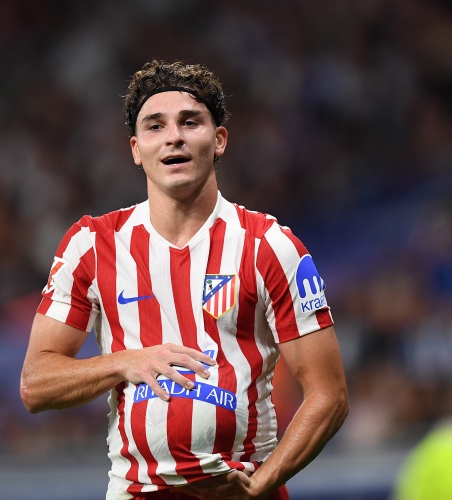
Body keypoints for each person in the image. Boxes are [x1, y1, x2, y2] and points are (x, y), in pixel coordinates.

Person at [20, 60, 349, 500]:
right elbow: (36, 384)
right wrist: (124, 362)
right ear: (136, 149)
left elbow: (329, 395)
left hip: (243, 489)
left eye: (190, 122)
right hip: (138, 491)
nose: (173, 136)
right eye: (155, 126)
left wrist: (260, 485)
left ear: (219, 140)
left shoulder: (269, 246)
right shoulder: (92, 246)